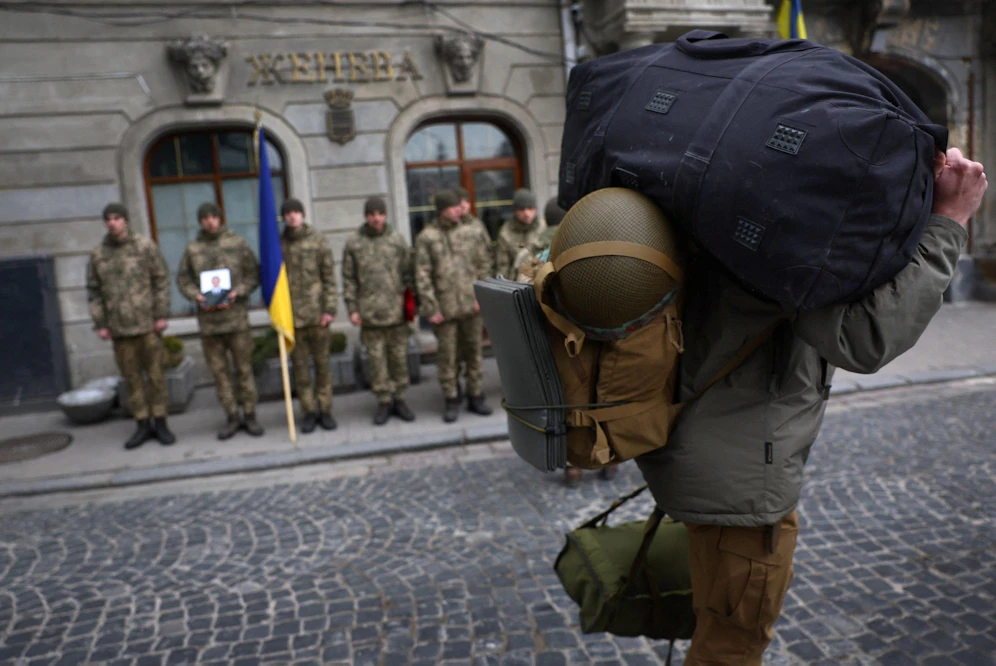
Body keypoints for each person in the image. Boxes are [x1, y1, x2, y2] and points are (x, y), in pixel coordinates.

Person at [633, 147, 986, 665]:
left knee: (719, 622)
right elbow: (866, 337)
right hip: (741, 485)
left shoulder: (718, 206)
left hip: (708, 458)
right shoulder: (778, 234)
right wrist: (950, 220)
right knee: (733, 643)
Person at [86, 203, 175, 449]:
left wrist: (161, 314)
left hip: (147, 325)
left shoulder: (144, 247)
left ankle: (161, 421)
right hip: (120, 329)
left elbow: (160, 280)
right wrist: (100, 323)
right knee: (132, 379)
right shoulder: (99, 255)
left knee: (156, 376)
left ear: (126, 220)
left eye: (117, 218)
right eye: (108, 219)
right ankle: (142, 424)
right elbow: (94, 292)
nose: (112, 223)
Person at [177, 202, 263, 440]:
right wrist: (196, 295)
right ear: (200, 221)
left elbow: (253, 273)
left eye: (213, 216)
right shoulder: (193, 249)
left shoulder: (237, 243)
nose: (210, 221)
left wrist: (239, 291)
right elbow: (183, 279)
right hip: (210, 325)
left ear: (220, 218)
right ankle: (232, 416)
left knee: (244, 369)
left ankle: (250, 414)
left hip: (236, 321)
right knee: (220, 373)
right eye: (204, 218)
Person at [415, 190, 494, 422]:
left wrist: (483, 296)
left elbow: (483, 264)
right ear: (442, 211)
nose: (459, 210)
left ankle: (475, 395)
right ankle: (451, 398)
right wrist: (431, 308)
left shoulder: (470, 232)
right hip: (445, 310)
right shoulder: (427, 237)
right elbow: (422, 275)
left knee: (474, 354)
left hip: (472, 306)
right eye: (452, 207)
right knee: (447, 358)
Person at [343, 196, 417, 425]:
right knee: (376, 362)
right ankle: (383, 401)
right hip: (370, 313)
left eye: (379, 213)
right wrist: (352, 309)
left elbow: (408, 273)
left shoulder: (396, 240)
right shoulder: (354, 243)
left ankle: (400, 399)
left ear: (385, 215)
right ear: (366, 216)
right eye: (372, 214)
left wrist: (411, 305)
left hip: (395, 312)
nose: (376, 218)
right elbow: (348, 279)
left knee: (398, 359)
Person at [280, 198, 339, 434]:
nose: (293, 216)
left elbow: (329, 278)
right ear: (284, 217)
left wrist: (330, 309)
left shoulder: (318, 240)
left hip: (317, 316)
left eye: (296, 212)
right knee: (301, 370)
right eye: (288, 213)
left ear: (302, 215)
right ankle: (308, 411)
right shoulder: (278, 245)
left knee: (323, 366)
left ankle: (325, 410)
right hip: (292, 318)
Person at [495, 188, 547, 279]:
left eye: (530, 208)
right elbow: (502, 266)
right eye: (522, 209)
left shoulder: (543, 227)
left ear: (535, 209)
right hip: (517, 284)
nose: (526, 213)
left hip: (542, 281)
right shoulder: (505, 233)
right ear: (515, 211)